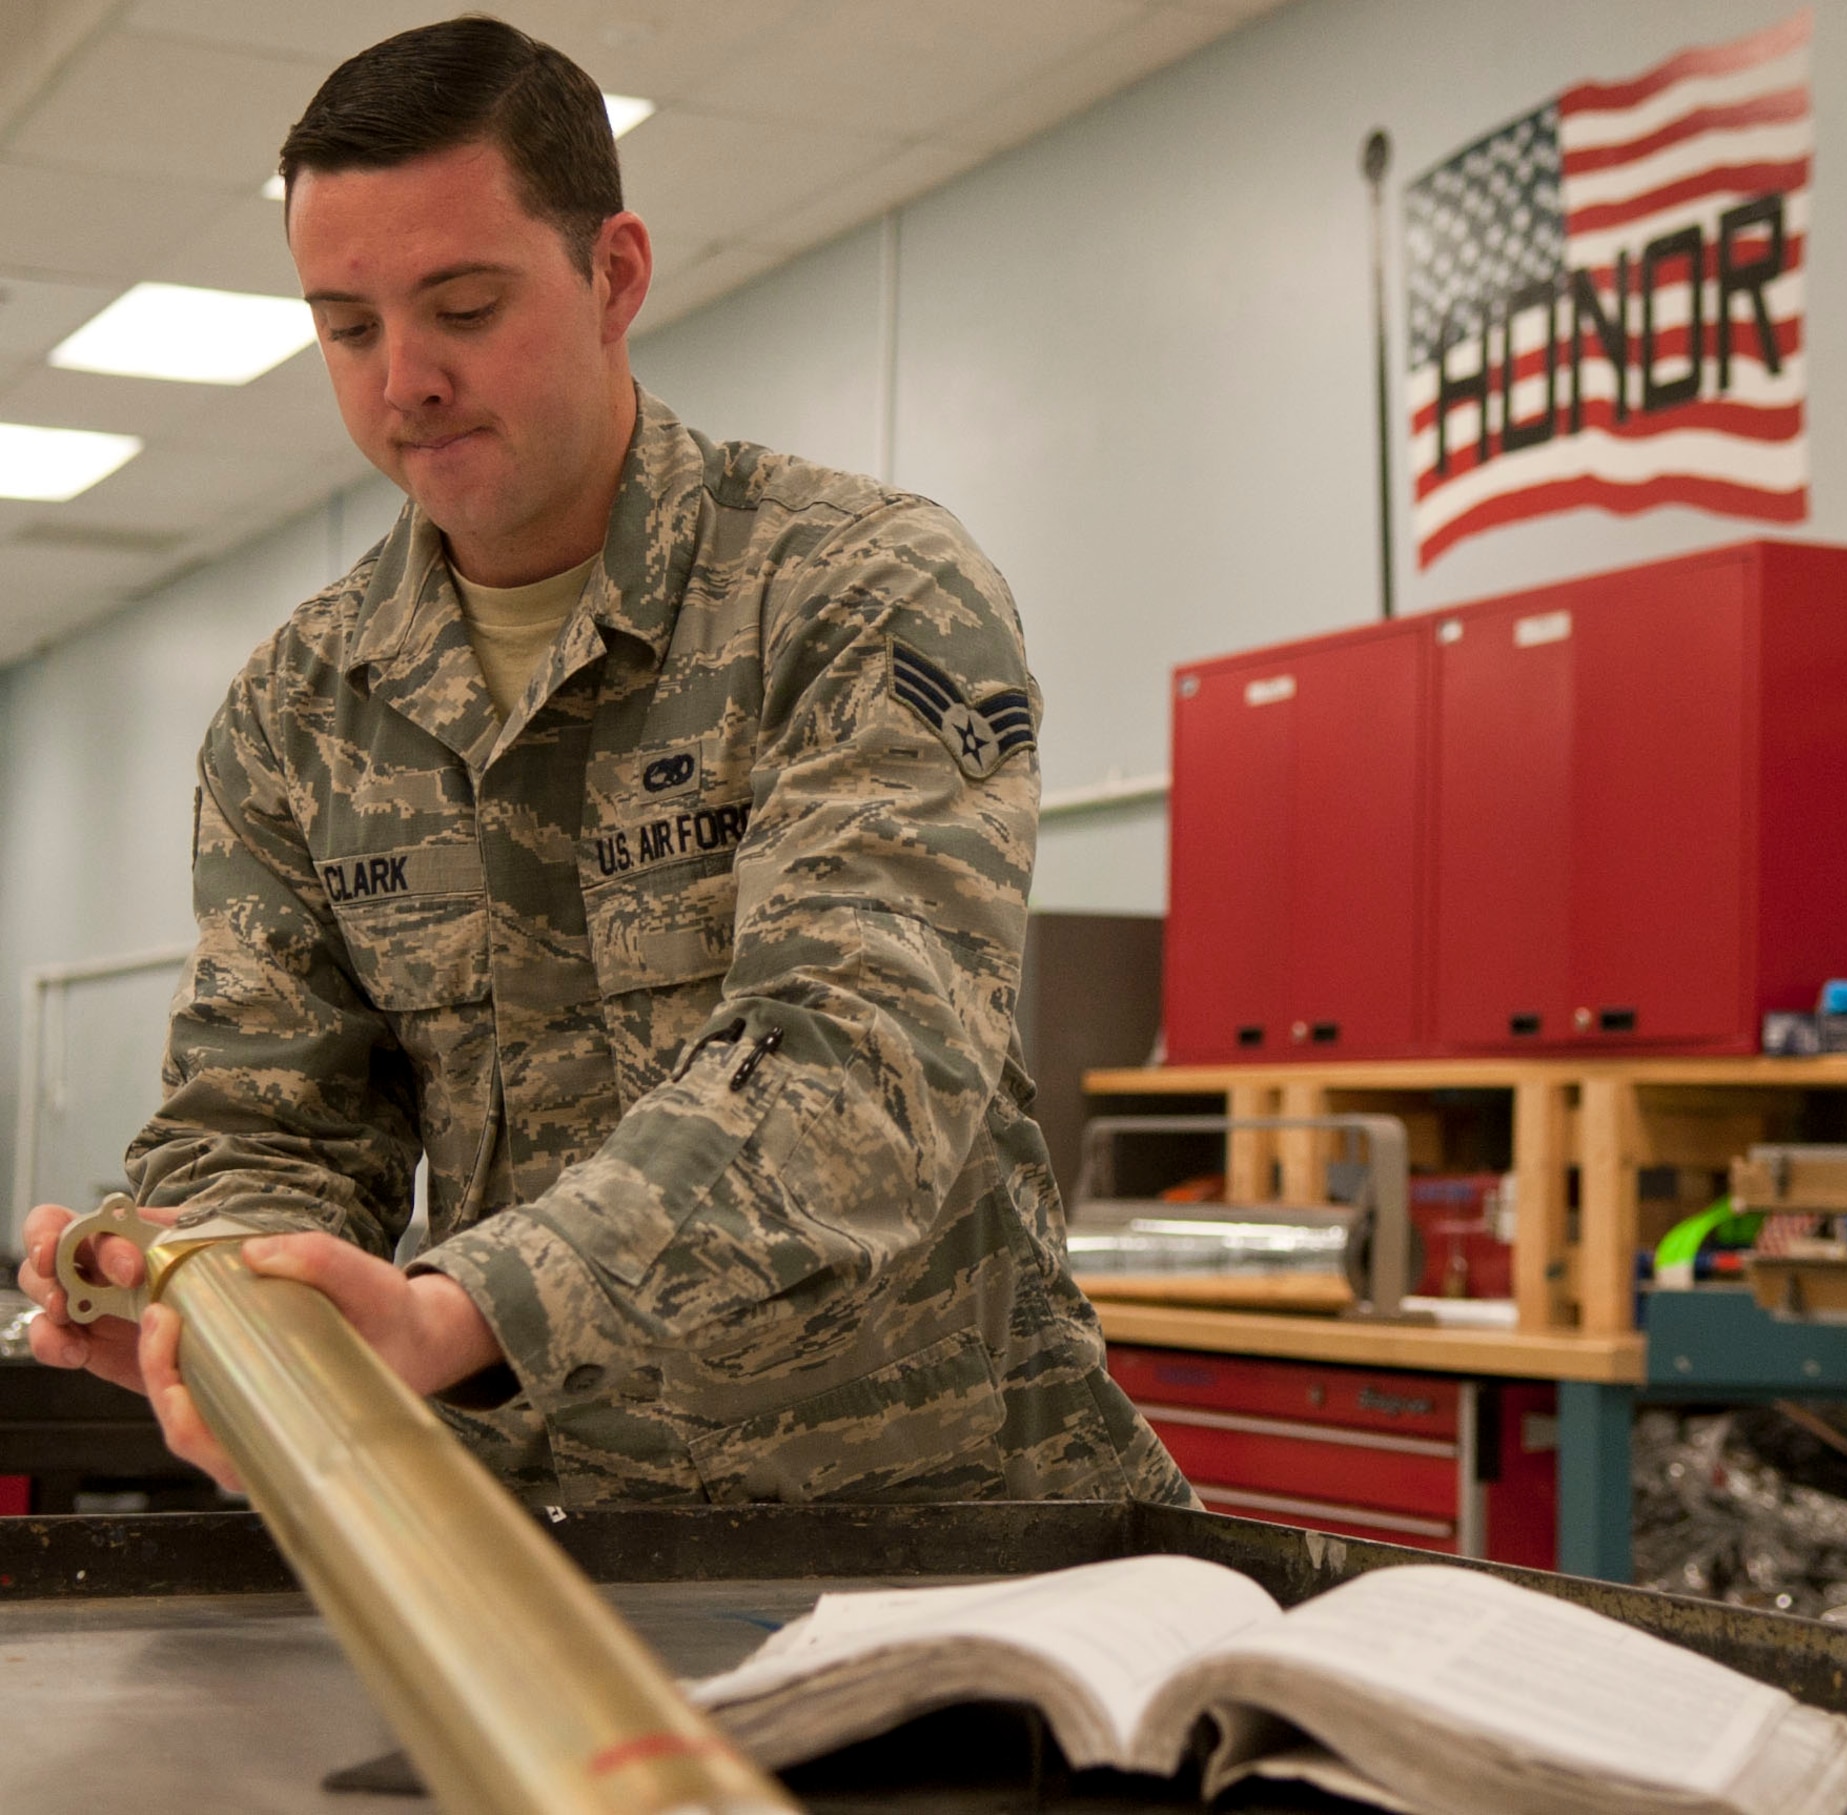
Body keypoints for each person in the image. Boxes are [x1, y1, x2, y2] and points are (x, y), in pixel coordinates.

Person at [17, 16, 1191, 1513]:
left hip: (946, 1521)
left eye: (462, 304)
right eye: (349, 326)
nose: (407, 381)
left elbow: (859, 1062)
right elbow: (272, 1115)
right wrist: (222, 1296)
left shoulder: (855, 591)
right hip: (548, 1542)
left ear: (613, 275)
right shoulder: (298, 711)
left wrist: (463, 1311)